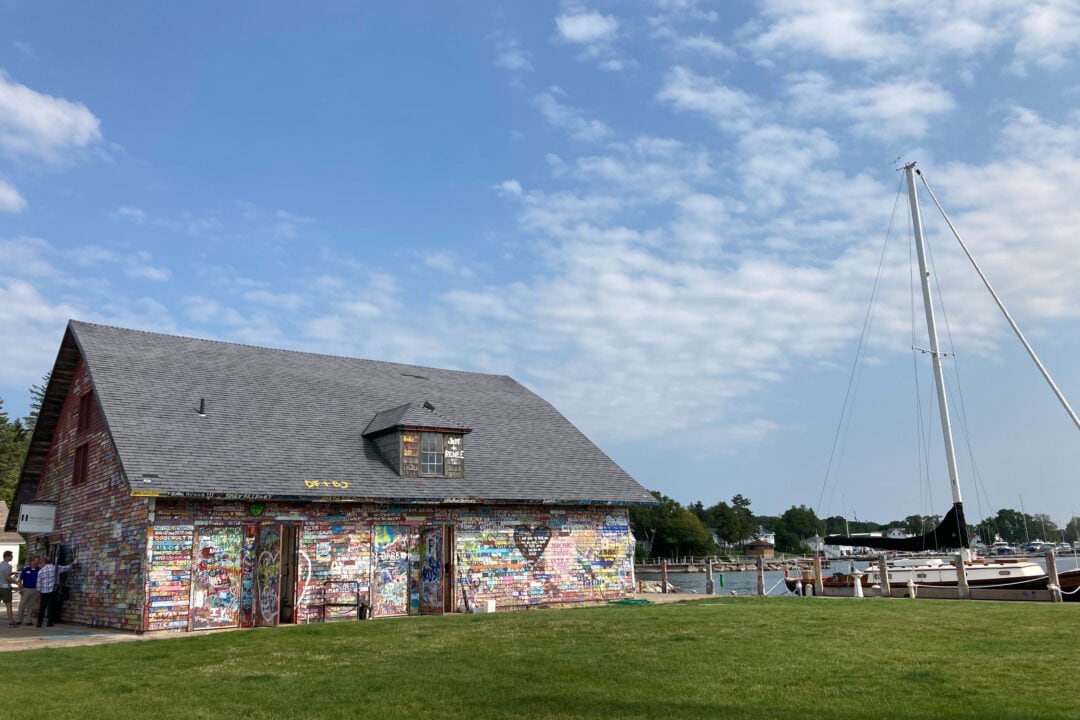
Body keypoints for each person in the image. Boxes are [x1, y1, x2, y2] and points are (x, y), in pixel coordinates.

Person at [36, 556, 76, 628]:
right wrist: (73, 563)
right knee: (51, 606)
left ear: (44, 562)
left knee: (42, 607)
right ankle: (49, 622)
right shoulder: (56, 568)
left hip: (44, 591)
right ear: (52, 561)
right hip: (52, 590)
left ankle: (39, 623)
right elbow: (66, 568)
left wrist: (39, 592)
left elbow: (39, 582)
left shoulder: (41, 571)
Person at [16, 555, 42, 626]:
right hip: (26, 589)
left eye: (37, 561)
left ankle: (29, 620)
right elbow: (20, 580)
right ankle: (19, 619)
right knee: (22, 605)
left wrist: (39, 591)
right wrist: (20, 588)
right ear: (32, 561)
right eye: (35, 561)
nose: (36, 562)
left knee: (31, 606)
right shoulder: (26, 569)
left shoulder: (39, 570)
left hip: (35, 589)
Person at [0, 551, 15, 627]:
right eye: (11, 556)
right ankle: (11, 622)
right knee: (8, 605)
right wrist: (16, 582)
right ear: (7, 557)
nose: (12, 558)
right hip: (5, 587)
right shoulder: (8, 566)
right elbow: (7, 578)